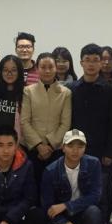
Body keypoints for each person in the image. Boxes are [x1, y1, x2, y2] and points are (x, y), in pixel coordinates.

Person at [70, 44, 112, 224]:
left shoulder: (110, 89)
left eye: (95, 60)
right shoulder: (72, 89)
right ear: (81, 62)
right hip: (76, 151)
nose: (91, 64)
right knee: (78, 192)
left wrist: (109, 152)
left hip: (101, 152)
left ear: (101, 63)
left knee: (101, 195)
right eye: (87, 60)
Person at [41, 129, 102, 224]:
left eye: (80, 146)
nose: (75, 151)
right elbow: (47, 206)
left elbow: (95, 196)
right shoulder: (50, 171)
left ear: (85, 148)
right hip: (62, 217)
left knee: (94, 212)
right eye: (70, 146)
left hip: (82, 212)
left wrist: (67, 205)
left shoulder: (94, 164)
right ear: (63, 148)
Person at [21, 52, 72, 193]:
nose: (47, 71)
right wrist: (39, 146)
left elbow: (65, 123)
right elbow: (25, 121)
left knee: (54, 190)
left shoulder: (66, 93)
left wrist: (49, 145)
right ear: (37, 69)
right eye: (43, 67)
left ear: (56, 68)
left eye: (51, 67)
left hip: (55, 150)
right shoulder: (28, 91)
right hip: (33, 150)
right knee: (33, 189)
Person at [0, 55, 24, 148]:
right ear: (0, 72)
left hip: (16, 144)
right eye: (5, 70)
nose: (9, 73)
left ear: (19, 72)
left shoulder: (25, 93)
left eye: (14, 70)